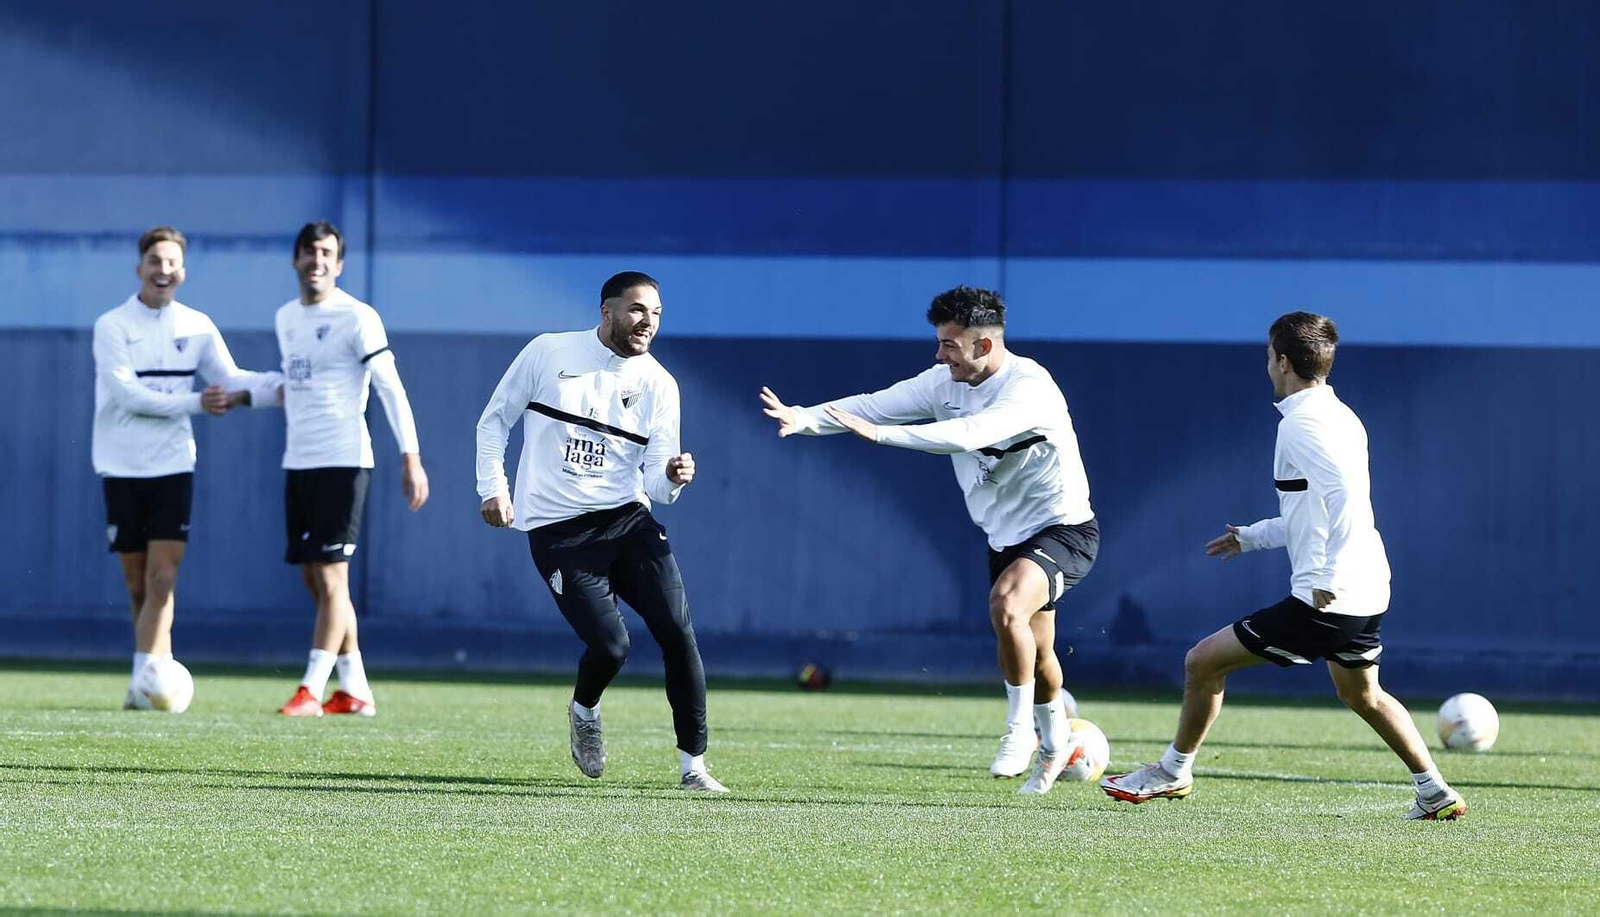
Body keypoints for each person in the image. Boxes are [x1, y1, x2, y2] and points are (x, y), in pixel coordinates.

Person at [1099, 311, 1467, 821]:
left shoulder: (1301, 423)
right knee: (1362, 694)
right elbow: (1310, 511)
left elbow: (1343, 497)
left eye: (1269, 355)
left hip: (1330, 596)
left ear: (1284, 362)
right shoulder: (1338, 414)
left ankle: (1172, 770)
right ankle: (1434, 791)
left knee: (1202, 662)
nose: (1267, 364)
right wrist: (1251, 537)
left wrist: (1324, 574)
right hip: (1367, 587)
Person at [758, 286, 1098, 795]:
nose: (940, 355)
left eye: (949, 345)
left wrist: (883, 436)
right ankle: (1053, 746)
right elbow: (873, 406)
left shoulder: (1030, 387)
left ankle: (1018, 732)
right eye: (939, 342)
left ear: (984, 345)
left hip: (1064, 528)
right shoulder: (942, 383)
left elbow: (966, 435)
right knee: (1039, 652)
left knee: (1006, 605)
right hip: (1004, 537)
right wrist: (805, 417)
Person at [474, 271, 726, 792]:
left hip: (627, 521)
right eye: (637, 310)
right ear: (606, 311)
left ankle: (694, 767)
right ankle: (584, 709)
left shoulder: (660, 384)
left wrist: (673, 477)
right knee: (612, 648)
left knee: (677, 632)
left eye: (656, 314)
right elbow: (494, 421)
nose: (648, 322)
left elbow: (657, 487)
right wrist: (493, 488)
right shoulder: (548, 352)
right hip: (559, 532)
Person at [251, 221, 430, 717]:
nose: (317, 261)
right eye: (310, 252)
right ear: (296, 260)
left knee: (332, 577)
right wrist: (243, 393)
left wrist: (411, 457)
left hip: (344, 460)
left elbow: (390, 386)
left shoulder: (357, 316)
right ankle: (354, 688)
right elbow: (294, 384)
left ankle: (310, 689)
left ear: (339, 263)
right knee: (315, 578)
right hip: (299, 460)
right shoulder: (286, 317)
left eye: (327, 253)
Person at [92, 225, 276, 708]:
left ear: (183, 272)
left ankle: (148, 682)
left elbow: (230, 379)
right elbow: (127, 396)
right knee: (137, 584)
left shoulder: (196, 325)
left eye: (172, 262)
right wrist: (198, 403)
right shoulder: (112, 325)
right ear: (140, 268)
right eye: (155, 261)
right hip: (120, 464)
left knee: (163, 578)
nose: (163, 270)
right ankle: (150, 674)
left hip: (173, 465)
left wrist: (284, 388)